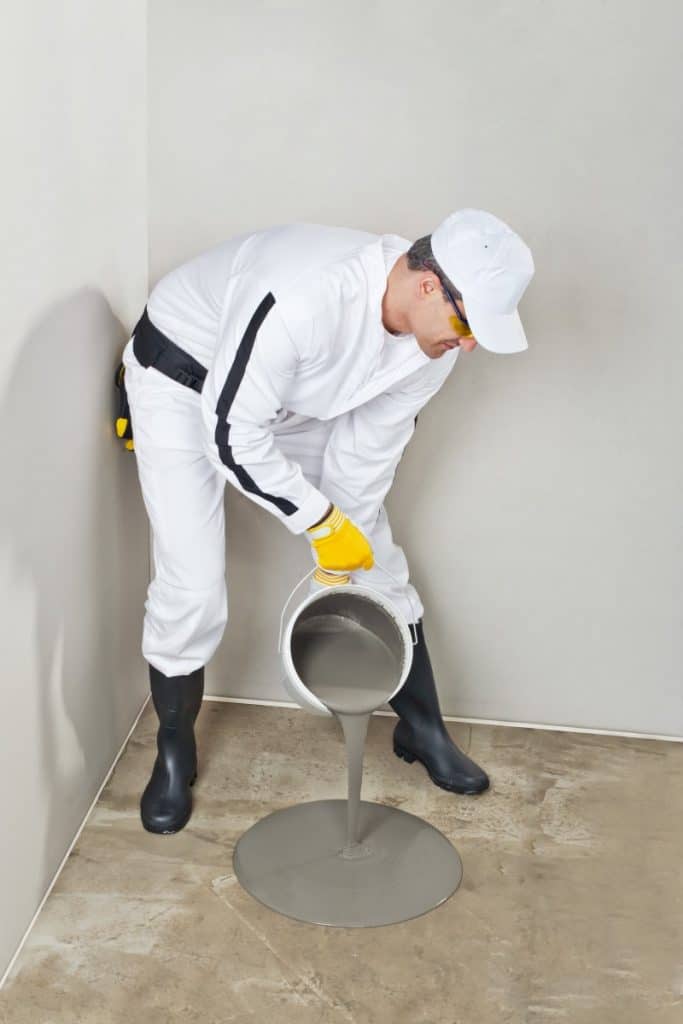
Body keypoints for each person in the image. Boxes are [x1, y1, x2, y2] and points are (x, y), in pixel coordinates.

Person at [116, 208, 535, 834]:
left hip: (278, 398)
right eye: (469, 322)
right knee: (193, 584)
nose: (470, 343)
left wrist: (349, 534)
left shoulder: (435, 348)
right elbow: (230, 436)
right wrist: (317, 521)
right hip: (180, 383)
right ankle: (174, 753)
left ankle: (423, 728)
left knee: (375, 555)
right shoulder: (306, 295)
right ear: (428, 285)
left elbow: (366, 455)